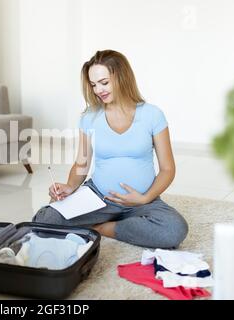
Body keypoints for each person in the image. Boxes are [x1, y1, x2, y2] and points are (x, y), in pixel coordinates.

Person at [32, 50, 188, 249]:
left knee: (174, 230)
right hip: (98, 197)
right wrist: (70, 187)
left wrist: (145, 198)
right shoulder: (89, 117)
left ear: (121, 77)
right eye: (94, 84)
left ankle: (102, 228)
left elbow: (167, 169)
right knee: (45, 221)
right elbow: (82, 162)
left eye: (104, 82)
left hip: (142, 200)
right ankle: (111, 224)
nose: (98, 90)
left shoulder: (152, 115)